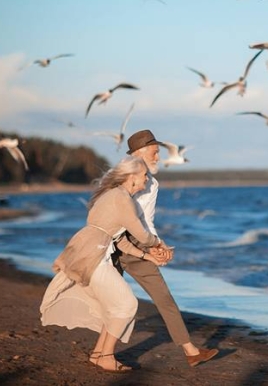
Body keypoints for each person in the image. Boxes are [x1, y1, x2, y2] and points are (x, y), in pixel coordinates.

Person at [39, 155, 164, 373]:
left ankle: (99, 354)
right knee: (126, 305)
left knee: (115, 306)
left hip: (93, 252)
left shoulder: (114, 195)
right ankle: (106, 356)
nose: (146, 179)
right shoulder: (121, 198)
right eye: (144, 175)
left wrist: (148, 256)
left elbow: (120, 240)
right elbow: (141, 235)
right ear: (132, 177)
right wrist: (158, 244)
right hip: (93, 255)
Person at [115, 129, 219, 368]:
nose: (158, 157)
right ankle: (102, 353)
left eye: (158, 152)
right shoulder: (120, 177)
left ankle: (190, 351)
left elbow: (146, 220)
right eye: (154, 152)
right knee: (112, 301)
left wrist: (158, 244)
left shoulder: (152, 183)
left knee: (161, 297)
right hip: (114, 242)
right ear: (138, 153)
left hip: (137, 242)